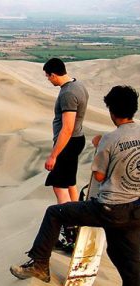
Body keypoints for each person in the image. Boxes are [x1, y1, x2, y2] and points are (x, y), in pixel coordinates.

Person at [9, 85, 140, 285]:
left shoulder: (109, 139)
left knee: (55, 213)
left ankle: (40, 265)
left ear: (111, 111)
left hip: (108, 209)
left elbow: (98, 176)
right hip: (135, 211)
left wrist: (99, 148)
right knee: (127, 261)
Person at [43, 58, 89, 204]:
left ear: (53, 75)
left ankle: (67, 221)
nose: (48, 80)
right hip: (76, 139)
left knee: (58, 185)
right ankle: (77, 216)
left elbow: (67, 128)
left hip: (68, 142)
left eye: (48, 76)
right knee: (70, 182)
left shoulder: (67, 94)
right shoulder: (78, 85)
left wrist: (53, 156)